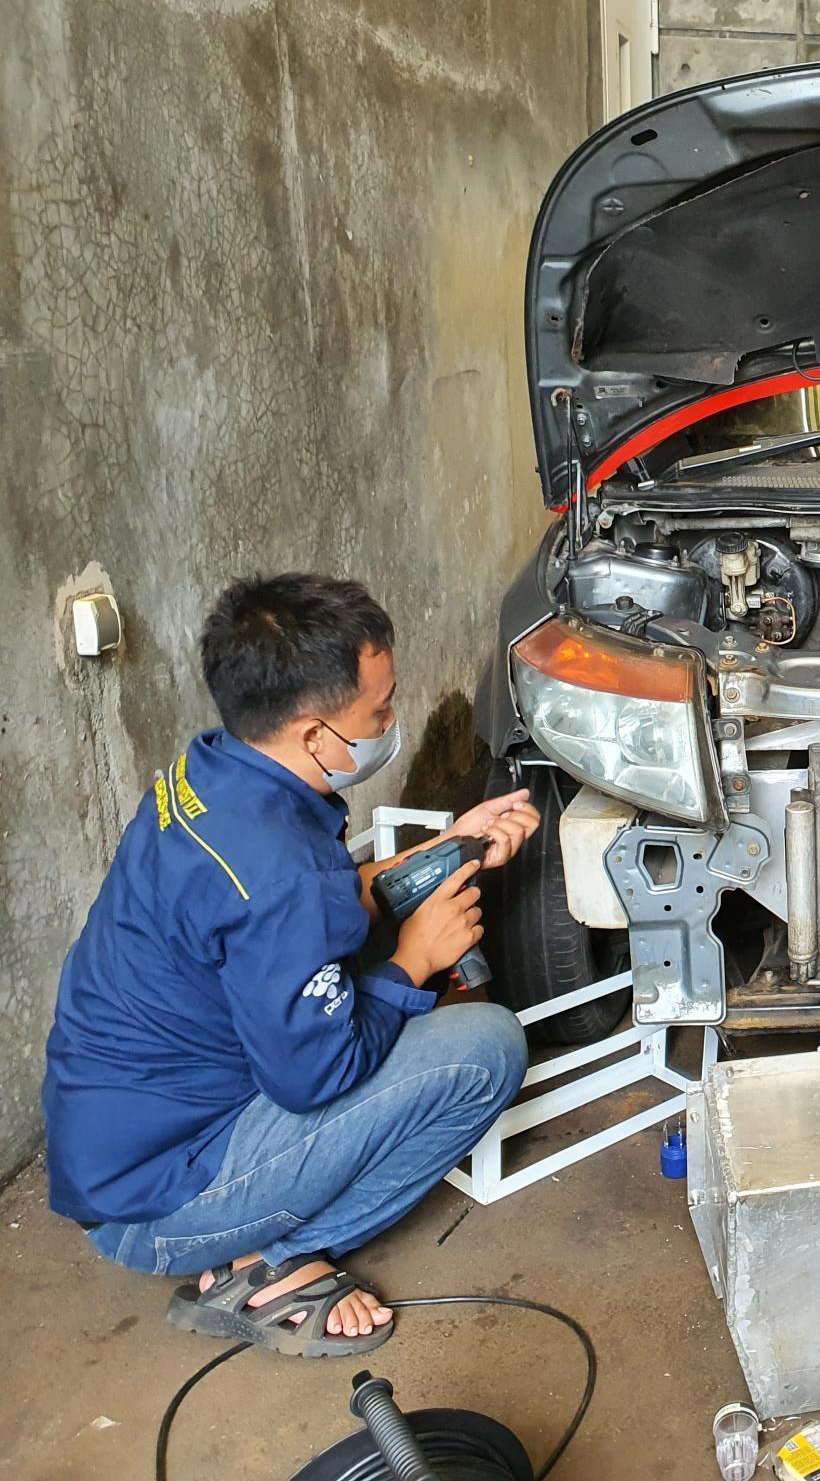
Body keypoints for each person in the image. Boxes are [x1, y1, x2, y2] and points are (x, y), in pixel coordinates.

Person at [43, 574, 537, 1356]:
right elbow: (315, 1075)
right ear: (313, 735)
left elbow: (318, 904)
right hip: (158, 1203)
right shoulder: (279, 874)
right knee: (485, 1050)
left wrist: (451, 846)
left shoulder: (213, 775)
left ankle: (254, 1244)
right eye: (379, 710)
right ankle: (264, 1267)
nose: (391, 720)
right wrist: (416, 961)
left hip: (117, 1146)